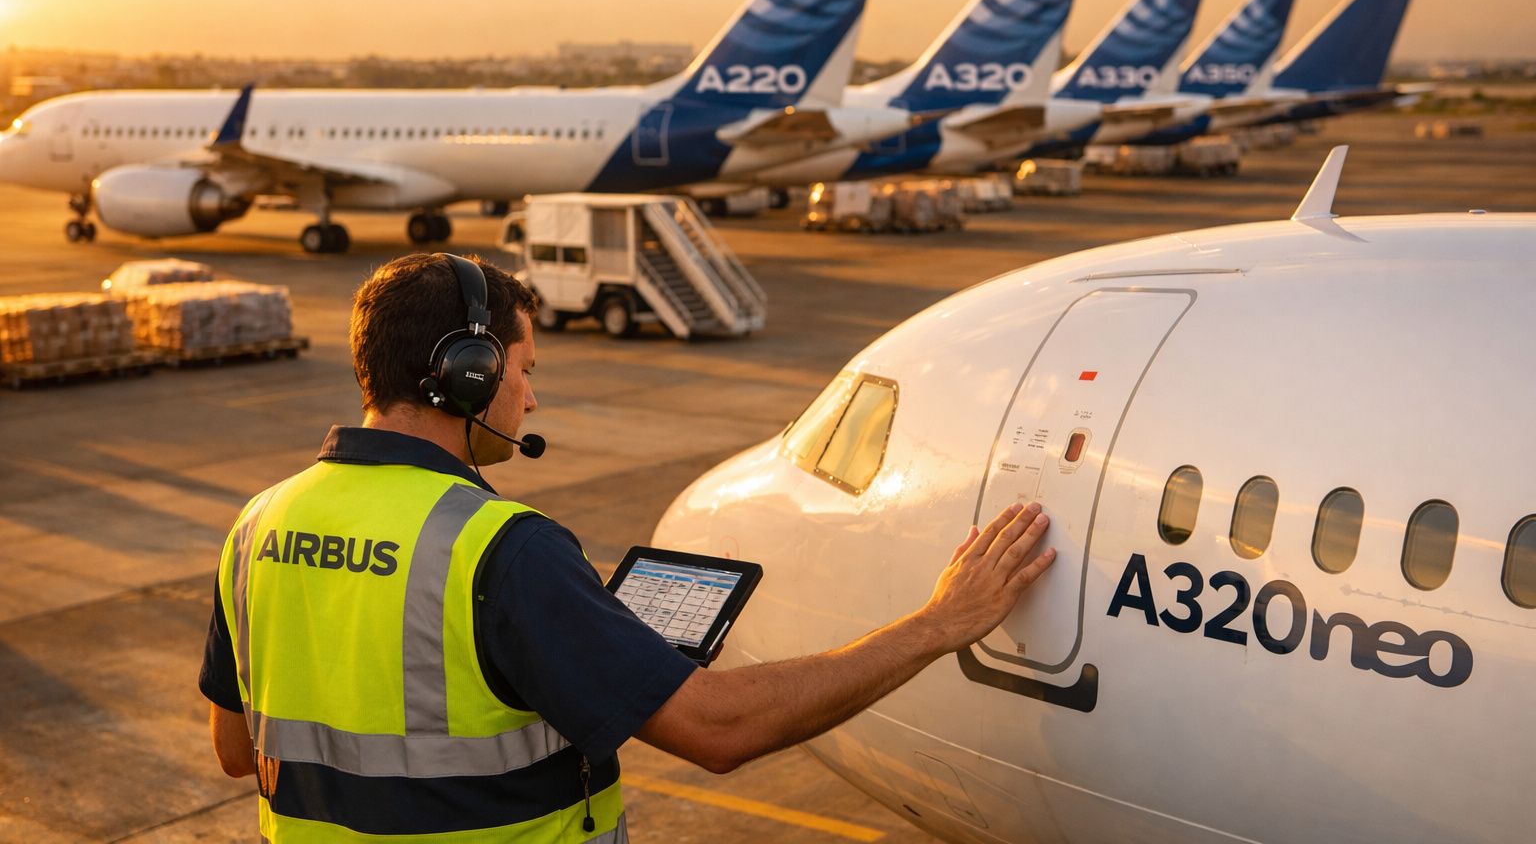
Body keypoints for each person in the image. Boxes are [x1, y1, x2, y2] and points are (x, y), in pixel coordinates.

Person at [199, 251, 1056, 842]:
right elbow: (719, 731)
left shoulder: (259, 524)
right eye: (524, 370)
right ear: (468, 371)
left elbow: (237, 751)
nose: (529, 400)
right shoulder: (503, 551)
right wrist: (939, 622)